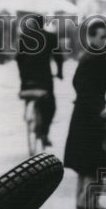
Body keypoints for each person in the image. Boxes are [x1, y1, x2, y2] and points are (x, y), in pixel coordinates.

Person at [63, 20, 106, 209]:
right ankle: (88, 202)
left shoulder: (92, 57)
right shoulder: (94, 59)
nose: (105, 40)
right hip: (90, 115)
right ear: (91, 37)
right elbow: (82, 87)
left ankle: (83, 200)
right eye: (101, 37)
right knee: (94, 159)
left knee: (86, 161)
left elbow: (78, 83)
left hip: (85, 114)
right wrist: (99, 109)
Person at [16, 13, 64, 147]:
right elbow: (58, 57)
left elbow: (19, 58)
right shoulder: (50, 37)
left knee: (29, 93)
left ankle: (28, 109)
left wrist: (22, 75)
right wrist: (60, 73)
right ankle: (44, 133)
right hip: (44, 79)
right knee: (51, 106)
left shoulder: (24, 38)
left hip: (27, 80)